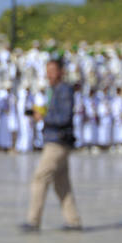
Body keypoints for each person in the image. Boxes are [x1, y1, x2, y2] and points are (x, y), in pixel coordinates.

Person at [22, 57, 82, 231]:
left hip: (58, 141)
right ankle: (73, 220)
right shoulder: (54, 90)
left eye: (53, 71)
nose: (49, 74)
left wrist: (44, 117)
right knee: (62, 183)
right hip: (55, 139)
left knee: (40, 178)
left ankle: (33, 220)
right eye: (47, 71)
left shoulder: (64, 90)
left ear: (61, 72)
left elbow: (64, 117)